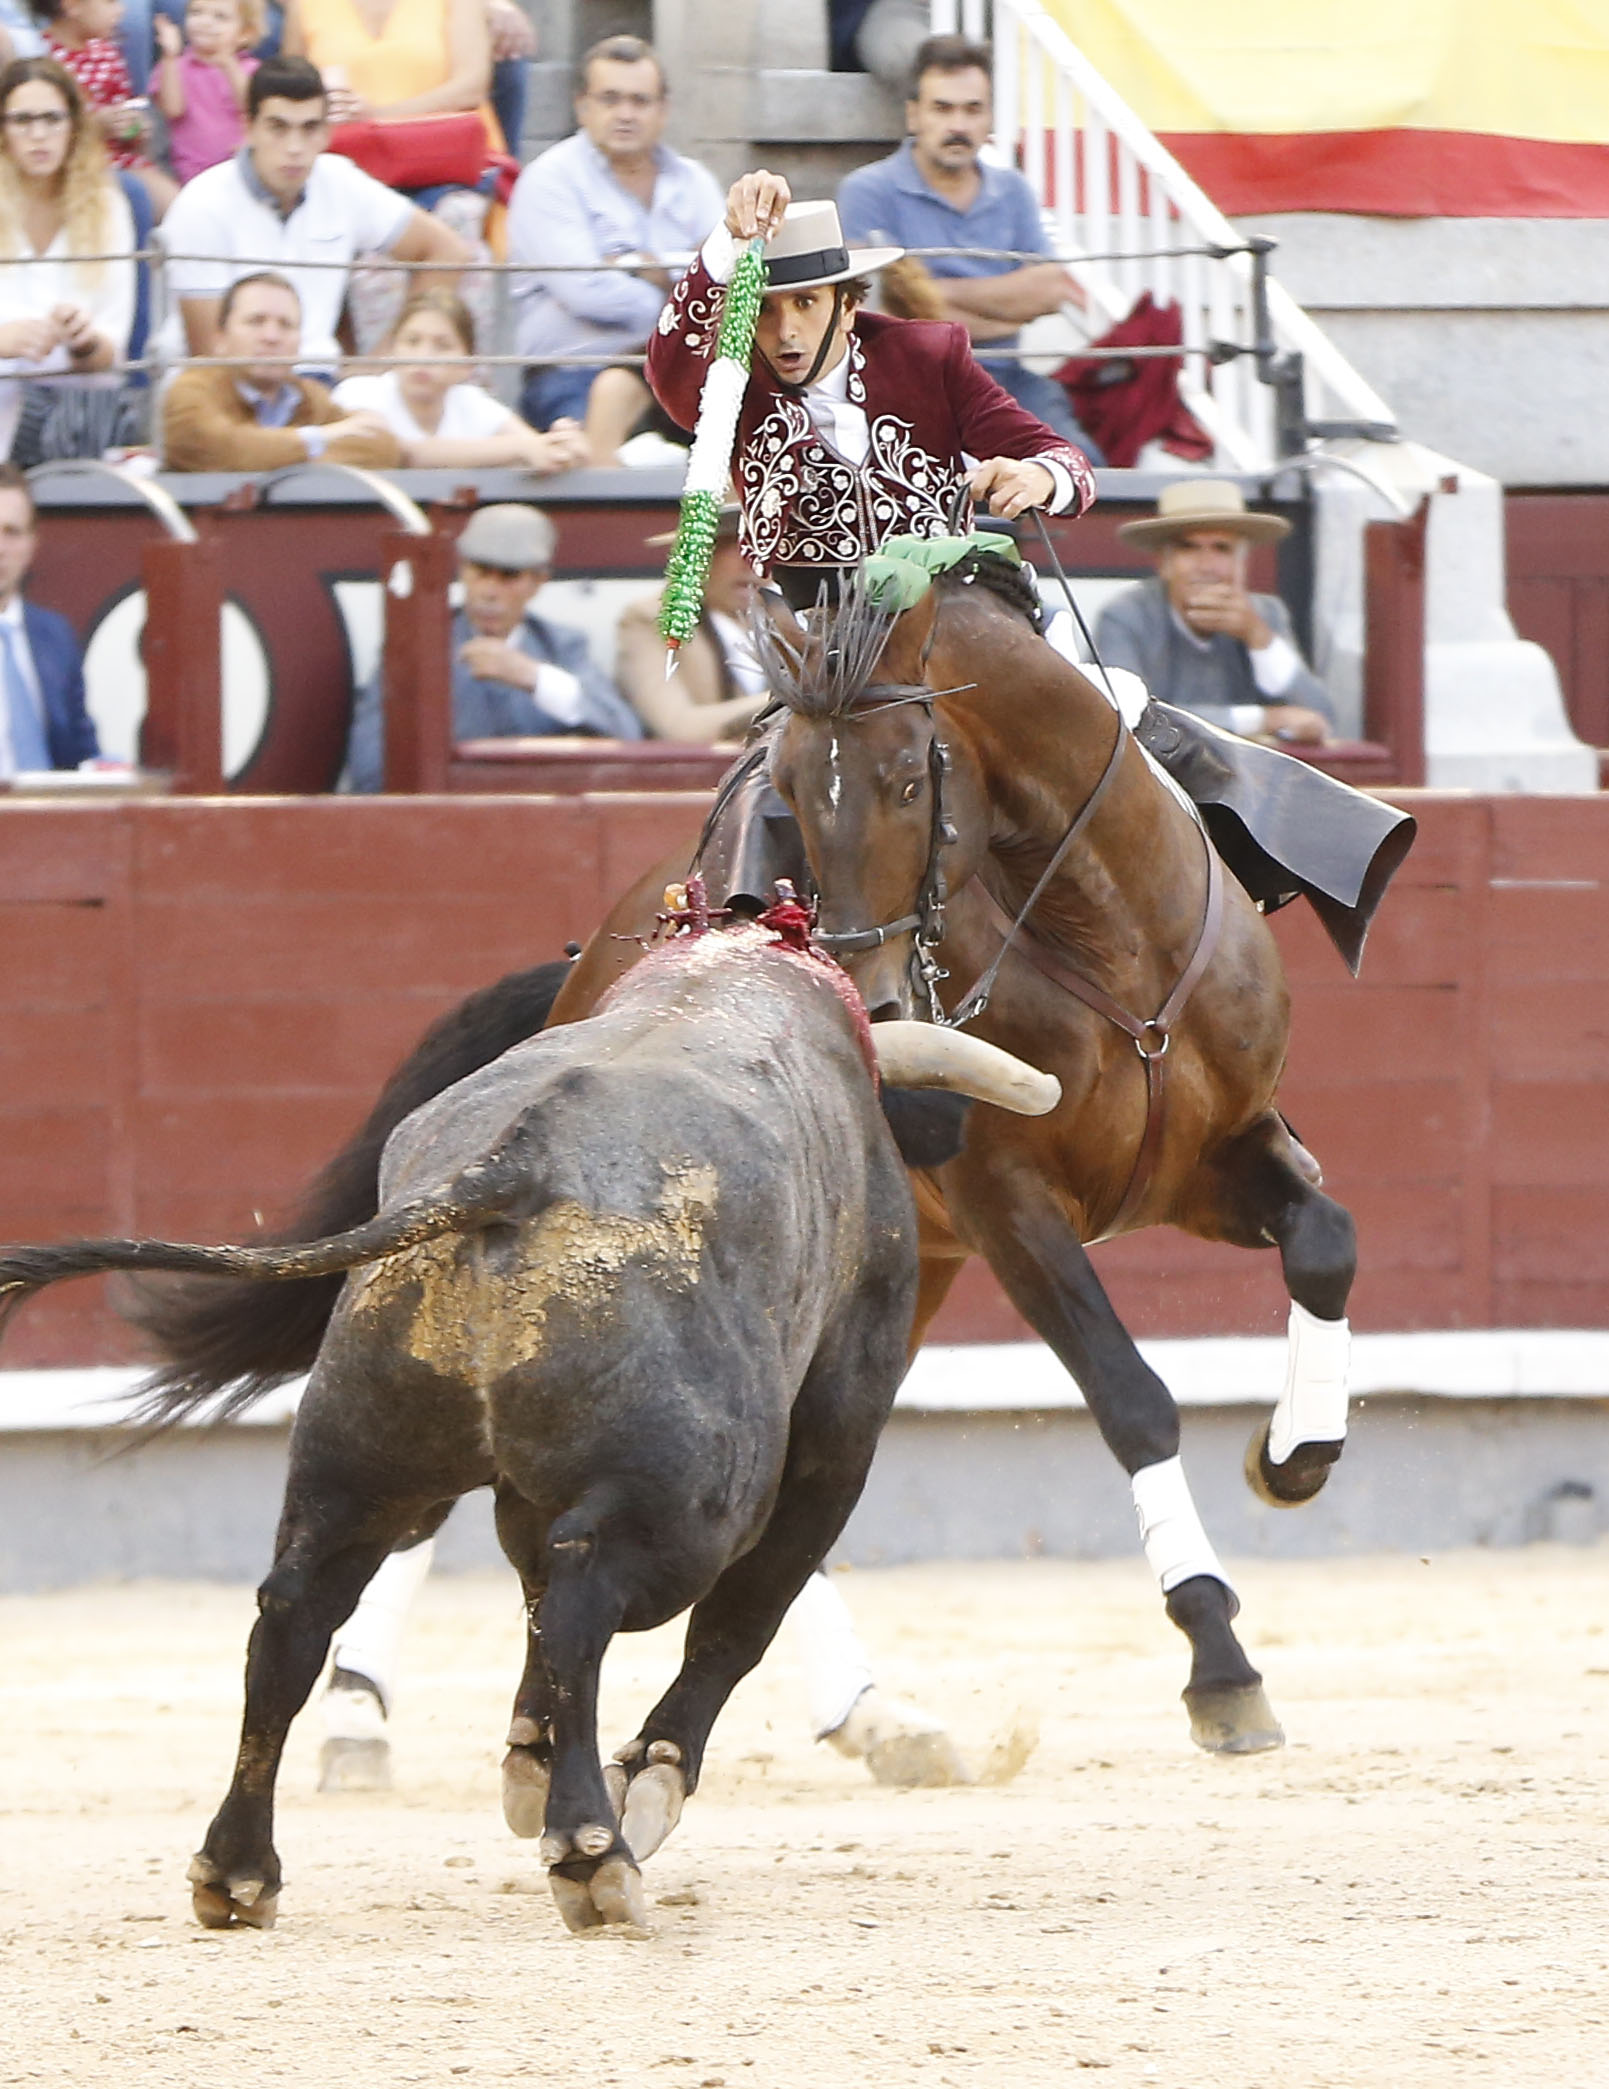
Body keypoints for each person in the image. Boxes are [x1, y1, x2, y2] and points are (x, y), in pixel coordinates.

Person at [648, 175, 1094, 598]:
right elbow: (668, 369)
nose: (786, 330)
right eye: (764, 309)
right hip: (807, 628)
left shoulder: (929, 358)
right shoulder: (735, 387)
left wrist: (1040, 476)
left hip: (944, 620)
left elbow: (1064, 459)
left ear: (847, 307)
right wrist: (723, 241)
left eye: (806, 303)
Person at [837, 34, 1099, 456]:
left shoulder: (1013, 190)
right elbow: (877, 314)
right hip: (909, 385)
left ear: (989, 118)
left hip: (1006, 379)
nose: (958, 125)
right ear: (913, 116)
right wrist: (1005, 310)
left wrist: (924, 295)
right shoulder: (868, 190)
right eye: (942, 109)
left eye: (972, 109)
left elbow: (1052, 289)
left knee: (1081, 466)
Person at [154, 54, 469, 371]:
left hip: (319, 385)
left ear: (326, 134)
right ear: (249, 128)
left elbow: (446, 252)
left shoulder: (340, 179)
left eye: (309, 129)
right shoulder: (201, 203)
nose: (294, 147)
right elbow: (211, 356)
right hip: (223, 390)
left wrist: (375, 371)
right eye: (278, 128)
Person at [507, 33, 721, 463]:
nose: (625, 114)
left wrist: (638, 270)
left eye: (640, 101)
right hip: (575, 374)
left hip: (682, 372)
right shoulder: (549, 180)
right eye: (610, 99)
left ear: (664, 110)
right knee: (596, 474)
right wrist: (681, 292)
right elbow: (586, 293)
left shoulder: (694, 181)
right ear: (582, 106)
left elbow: (727, 285)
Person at [345, 501, 642, 791]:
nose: (490, 592)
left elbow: (626, 737)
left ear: (538, 582)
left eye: (509, 576)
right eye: (480, 572)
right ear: (461, 570)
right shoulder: (419, 645)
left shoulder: (561, 645)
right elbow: (369, 768)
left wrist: (535, 677)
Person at [1096, 480, 1334, 746]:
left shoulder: (1265, 613)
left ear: (1242, 563)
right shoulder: (1125, 617)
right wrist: (1263, 719)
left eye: (1222, 549)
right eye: (1189, 548)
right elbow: (1126, 716)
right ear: (1163, 563)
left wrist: (1258, 637)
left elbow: (1320, 716)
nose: (1207, 566)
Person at [0, 56, 137, 462]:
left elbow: (113, 350)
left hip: (76, 420)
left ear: (74, 127)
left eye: (52, 119)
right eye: (22, 120)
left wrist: (84, 343)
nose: (38, 135)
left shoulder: (109, 208)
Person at [161, 268, 402, 467]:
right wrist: (321, 438)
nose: (271, 336)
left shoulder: (309, 398)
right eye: (256, 322)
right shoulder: (191, 389)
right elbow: (214, 448)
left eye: (286, 325)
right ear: (221, 339)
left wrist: (274, 457)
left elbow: (382, 448)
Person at [330, 289, 590, 472]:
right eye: (412, 341)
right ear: (393, 349)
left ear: (467, 366)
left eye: (442, 345)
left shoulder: (470, 401)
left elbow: (532, 445)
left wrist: (562, 446)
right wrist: (521, 448)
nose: (424, 357)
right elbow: (404, 453)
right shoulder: (359, 392)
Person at [616, 504, 769, 744]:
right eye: (736, 547)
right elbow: (678, 727)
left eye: (767, 547)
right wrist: (789, 700)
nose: (753, 564)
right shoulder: (652, 619)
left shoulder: (794, 620)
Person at [0, 462, 99, 776]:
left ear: (32, 544)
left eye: (12, 533)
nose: (0, 548)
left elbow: (82, 751)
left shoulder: (54, 636)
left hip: (52, 816)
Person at [35, 0, 177, 216]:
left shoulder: (107, 53)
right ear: (72, 5)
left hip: (123, 161)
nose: (121, 10)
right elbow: (43, 128)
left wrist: (135, 129)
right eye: (110, 2)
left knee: (178, 205)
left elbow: (127, 117)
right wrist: (94, 125)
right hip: (72, 167)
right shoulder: (44, 58)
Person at [152, 0, 260, 182]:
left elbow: (253, 105)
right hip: (190, 173)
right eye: (196, 12)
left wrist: (228, 63)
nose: (205, 22)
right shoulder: (174, 66)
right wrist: (170, 56)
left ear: (244, 34)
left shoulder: (250, 69)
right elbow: (173, 109)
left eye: (220, 17)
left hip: (241, 171)